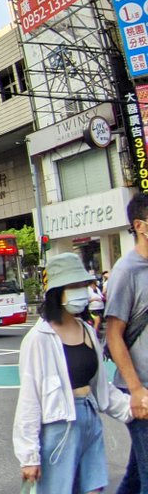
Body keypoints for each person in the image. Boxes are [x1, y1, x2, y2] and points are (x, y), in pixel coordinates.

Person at [16, 253, 132, 493]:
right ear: (57, 292)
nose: (82, 293)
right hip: (59, 428)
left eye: (83, 285)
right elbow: (29, 398)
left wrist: (134, 406)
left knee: (95, 488)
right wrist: (29, 456)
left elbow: (102, 387)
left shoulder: (87, 331)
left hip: (89, 418)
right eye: (74, 286)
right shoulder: (38, 339)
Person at [105, 192, 148, 494]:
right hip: (142, 387)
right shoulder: (126, 271)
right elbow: (113, 334)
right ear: (140, 225)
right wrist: (135, 390)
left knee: (136, 474)